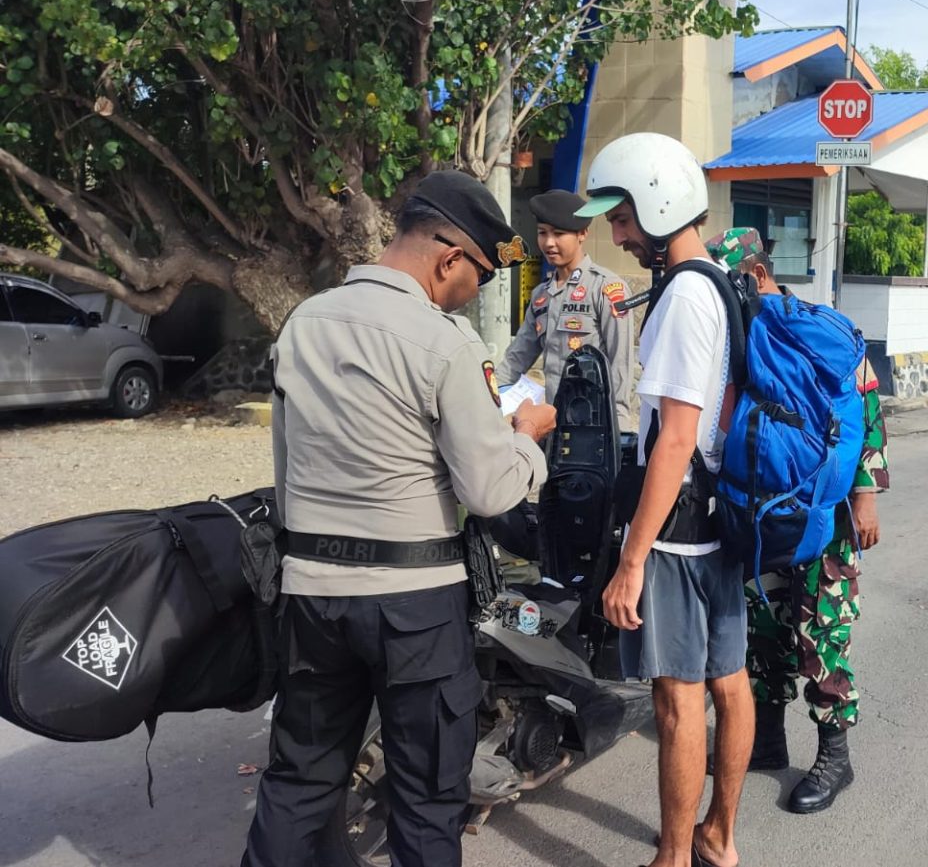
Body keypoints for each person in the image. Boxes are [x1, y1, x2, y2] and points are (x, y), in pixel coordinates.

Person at [243, 172, 558, 867]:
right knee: (424, 806)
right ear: (447, 257)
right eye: (478, 272)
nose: (476, 289)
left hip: (313, 597)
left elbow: (288, 471)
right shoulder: (444, 342)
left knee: (297, 785)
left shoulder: (303, 324)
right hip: (414, 609)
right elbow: (487, 489)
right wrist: (526, 439)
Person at [574, 133, 752, 867]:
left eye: (622, 216)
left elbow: (674, 440)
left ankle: (673, 857)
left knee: (678, 703)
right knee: (730, 684)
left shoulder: (683, 296)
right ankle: (720, 835)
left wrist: (631, 559)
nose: (615, 233)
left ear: (659, 202)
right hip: (721, 522)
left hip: (676, 536)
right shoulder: (722, 281)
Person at [704, 227, 890, 815]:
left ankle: (836, 755)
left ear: (756, 274)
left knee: (820, 633)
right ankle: (766, 739)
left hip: (824, 518)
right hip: (762, 513)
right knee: (762, 630)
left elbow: (863, 404)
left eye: (729, 282)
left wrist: (865, 492)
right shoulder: (739, 333)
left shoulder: (814, 329)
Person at [496, 189, 635, 420]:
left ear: (582, 234)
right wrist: (487, 397)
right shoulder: (542, 295)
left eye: (559, 234)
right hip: (553, 424)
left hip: (594, 424)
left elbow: (620, 364)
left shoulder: (605, 288)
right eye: (542, 233)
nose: (549, 243)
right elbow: (515, 359)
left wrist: (618, 430)